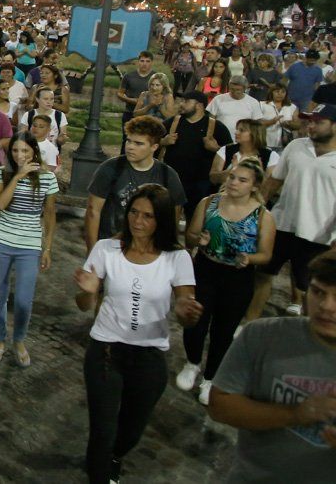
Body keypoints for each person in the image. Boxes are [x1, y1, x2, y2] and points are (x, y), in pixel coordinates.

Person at [73, 184, 202, 484]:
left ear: (162, 221)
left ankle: (116, 456)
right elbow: (83, 304)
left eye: (148, 216)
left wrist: (186, 312)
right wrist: (88, 293)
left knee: (131, 430)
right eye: (133, 212)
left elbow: (185, 305)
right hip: (106, 351)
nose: (138, 221)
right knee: (103, 430)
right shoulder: (106, 249)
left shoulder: (177, 258)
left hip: (149, 354)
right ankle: (100, 472)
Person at [208, 251, 336, 481]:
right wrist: (296, 414)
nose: (326, 306)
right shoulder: (262, 335)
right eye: (318, 292)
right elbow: (220, 405)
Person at [178, 160, 276, 406]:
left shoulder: (262, 216)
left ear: (254, 186)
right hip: (205, 269)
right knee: (195, 322)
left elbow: (266, 254)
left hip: (237, 278)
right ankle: (192, 363)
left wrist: (250, 258)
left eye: (242, 180)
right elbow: (189, 235)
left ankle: (211, 378)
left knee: (223, 330)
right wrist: (197, 240)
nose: (233, 183)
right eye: (232, 176)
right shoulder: (208, 203)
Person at [246, 104, 336, 321]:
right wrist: (254, 212)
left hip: (317, 236)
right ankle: (248, 326)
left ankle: (307, 334)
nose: (311, 126)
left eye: (318, 122)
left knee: (310, 288)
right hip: (281, 225)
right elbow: (273, 183)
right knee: (263, 275)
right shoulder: (296, 146)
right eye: (309, 121)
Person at [0, 131, 58, 367]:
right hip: (1, 240)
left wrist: (47, 247)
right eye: (15, 150)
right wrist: (17, 177)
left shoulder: (47, 178)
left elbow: (49, 215)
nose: (20, 155)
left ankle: (19, 340)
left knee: (24, 300)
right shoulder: (1, 172)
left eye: (25, 150)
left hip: (29, 245)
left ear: (34, 151)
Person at [85, 116, 187, 250]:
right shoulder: (110, 168)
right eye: (129, 141)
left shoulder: (168, 175)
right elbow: (93, 212)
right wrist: (93, 251)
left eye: (138, 143)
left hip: (149, 249)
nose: (130, 147)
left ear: (154, 147)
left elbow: (173, 219)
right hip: (111, 246)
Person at [160, 91, 231, 214]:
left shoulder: (217, 127)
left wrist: (216, 148)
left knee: (195, 218)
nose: (181, 104)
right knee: (167, 217)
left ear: (199, 105)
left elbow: (230, 153)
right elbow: (151, 140)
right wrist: (163, 141)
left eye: (186, 101)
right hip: (172, 180)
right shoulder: (173, 122)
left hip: (200, 185)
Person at [208, 118, 279, 188]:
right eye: (237, 129)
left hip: (254, 198)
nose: (236, 132)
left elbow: (270, 186)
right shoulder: (225, 150)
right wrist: (231, 171)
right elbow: (213, 178)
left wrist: (259, 174)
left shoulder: (271, 155)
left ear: (255, 133)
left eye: (242, 130)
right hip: (224, 195)